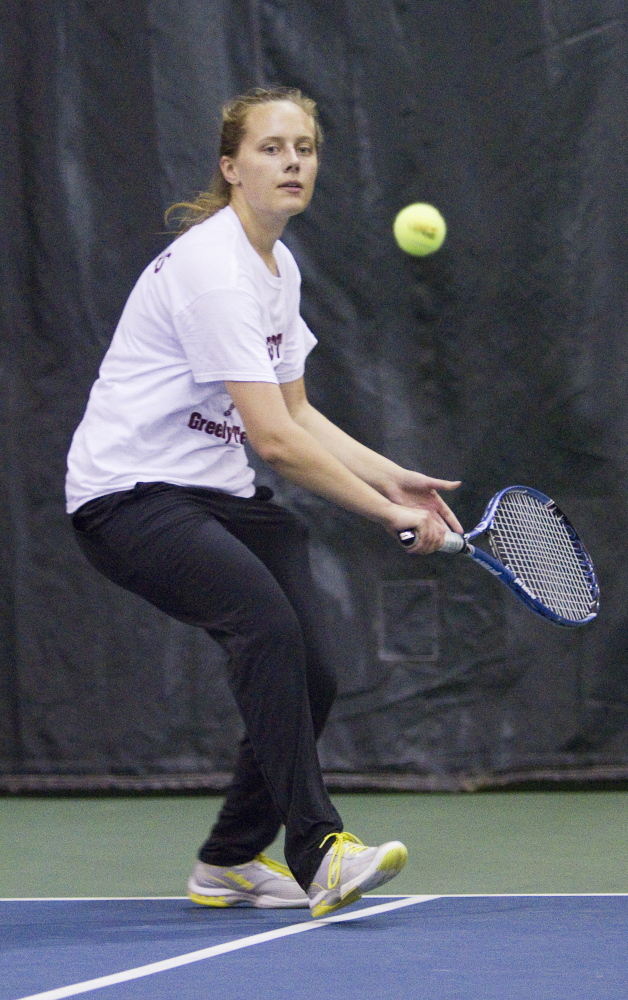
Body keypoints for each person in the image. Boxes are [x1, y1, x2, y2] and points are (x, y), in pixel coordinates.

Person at [66, 86, 463, 918]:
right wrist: (388, 517)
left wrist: (396, 479)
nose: (292, 162)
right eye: (272, 148)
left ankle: (228, 860)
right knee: (265, 624)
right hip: (127, 496)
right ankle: (319, 849)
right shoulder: (214, 271)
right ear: (231, 166)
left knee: (311, 670)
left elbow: (299, 411)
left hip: (214, 492)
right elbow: (275, 443)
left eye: (306, 148)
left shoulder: (277, 267)